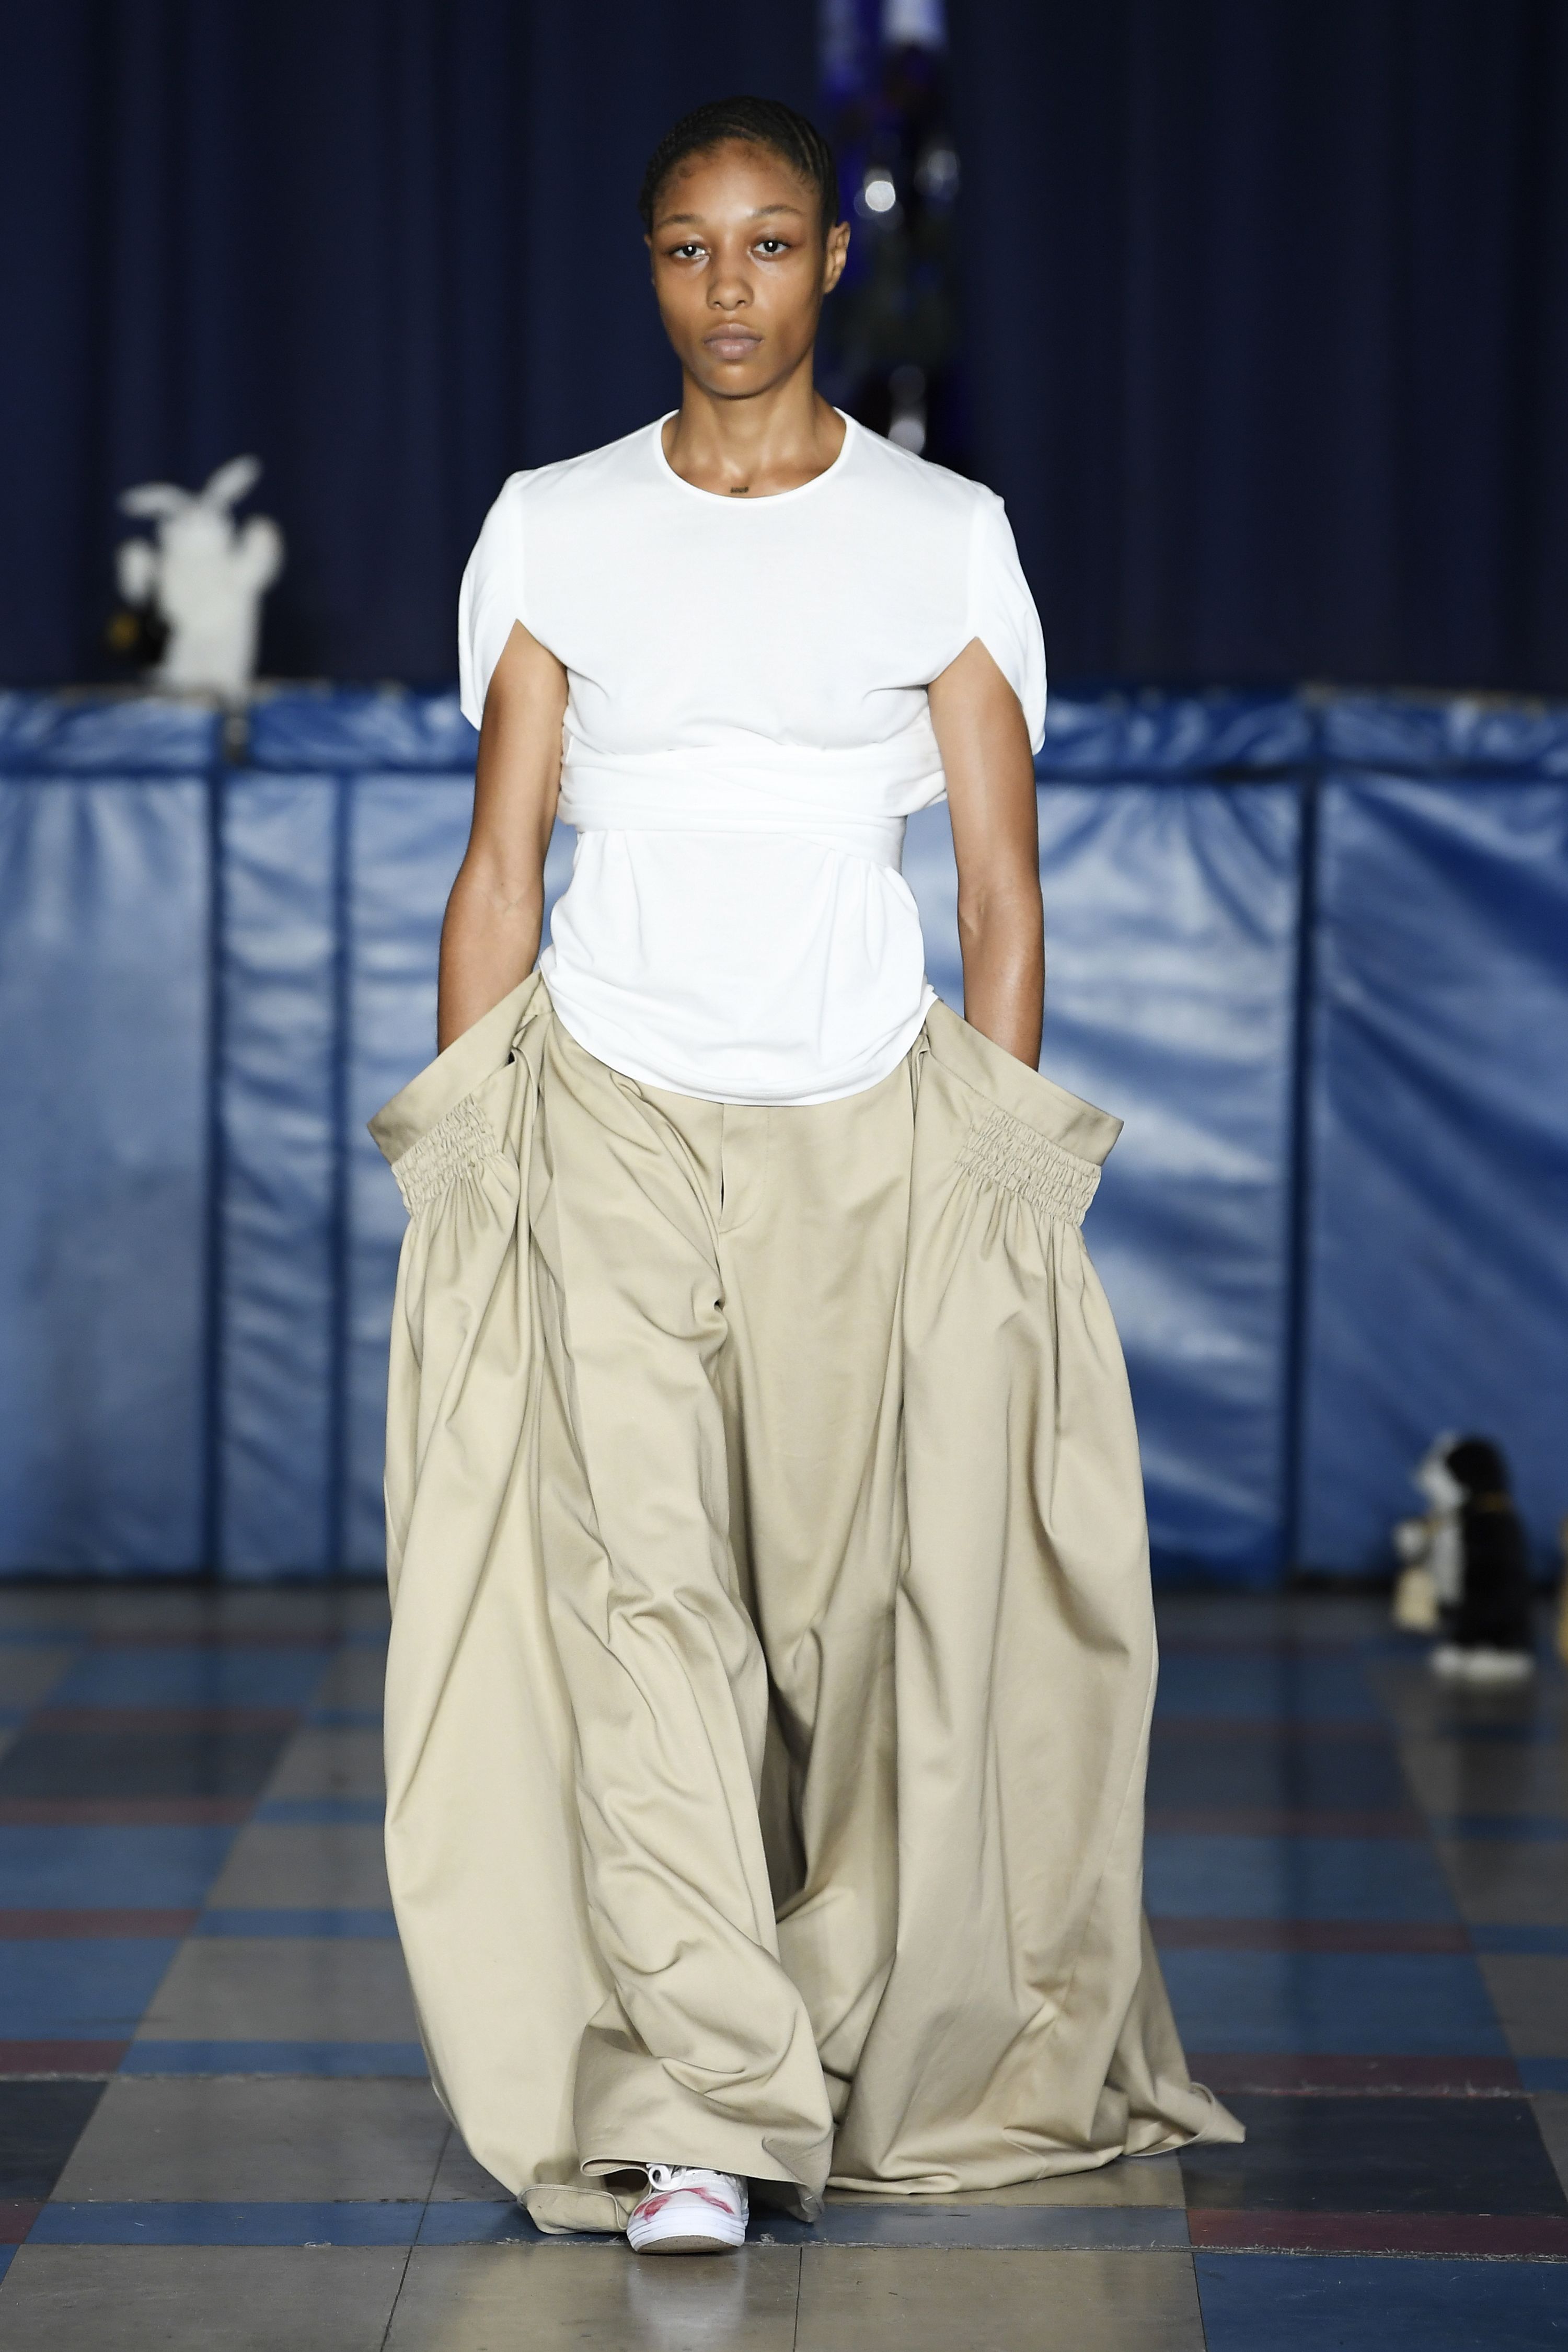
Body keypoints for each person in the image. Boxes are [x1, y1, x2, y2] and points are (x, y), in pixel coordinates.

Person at [370, 94, 1241, 2257]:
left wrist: (992, 1185)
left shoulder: (939, 532)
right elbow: (501, 862)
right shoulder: (555, 524)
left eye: (768, 247)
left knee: (859, 1631)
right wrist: (470, 1131)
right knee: (644, 1608)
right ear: (647, 267)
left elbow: (1004, 890)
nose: (729, 289)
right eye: (690, 250)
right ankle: (700, 2113)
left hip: (868, 1127)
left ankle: (836, 2032)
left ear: (829, 262)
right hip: (613, 1115)